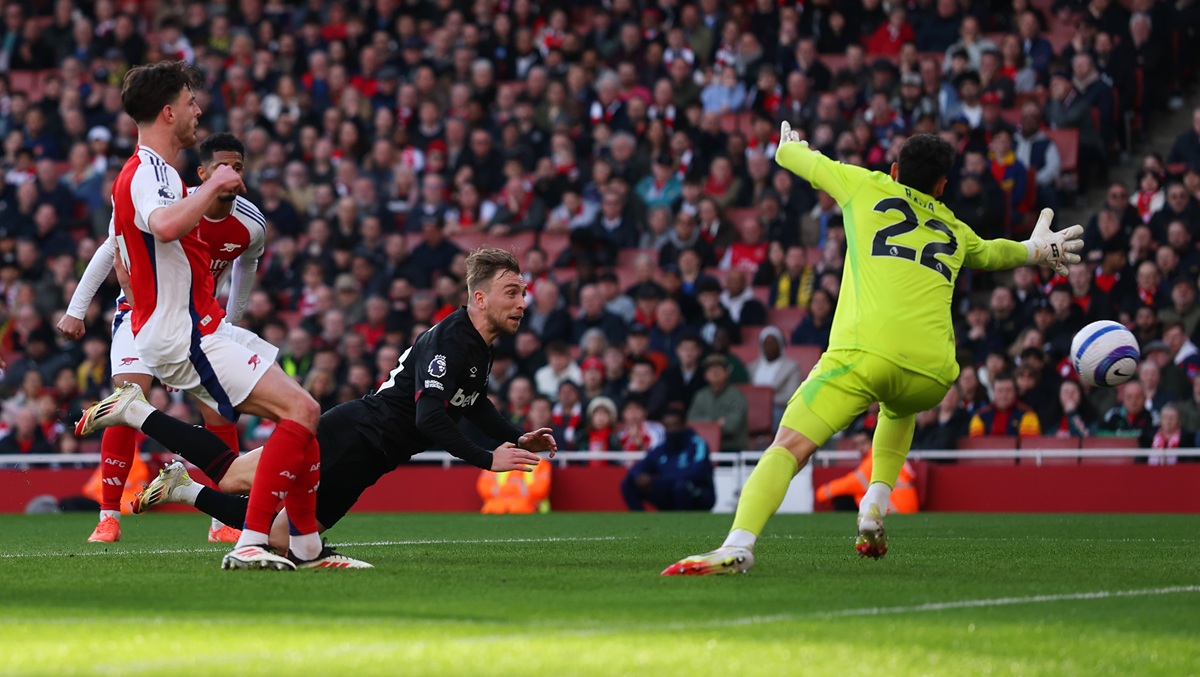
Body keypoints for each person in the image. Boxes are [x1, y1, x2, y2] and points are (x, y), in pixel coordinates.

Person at [663, 127, 1082, 576]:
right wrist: (1039, 249)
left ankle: (738, 545)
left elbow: (792, 158)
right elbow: (995, 254)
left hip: (864, 355)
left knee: (788, 447)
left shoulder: (865, 184)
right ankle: (875, 506)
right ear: (942, 186)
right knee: (898, 408)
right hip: (934, 373)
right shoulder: (955, 229)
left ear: (895, 171)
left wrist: (790, 144)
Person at [72, 61, 335, 571]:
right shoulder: (147, 171)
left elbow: (145, 240)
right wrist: (212, 188)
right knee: (300, 414)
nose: (199, 111)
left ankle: (201, 492)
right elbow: (165, 226)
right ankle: (254, 542)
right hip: (182, 332)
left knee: (291, 429)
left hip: (198, 326)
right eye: (191, 103)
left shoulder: (161, 174)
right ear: (169, 112)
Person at [121, 249, 557, 554]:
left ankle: (182, 488)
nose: (522, 302)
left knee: (282, 540)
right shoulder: (452, 341)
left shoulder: (481, 345)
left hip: (374, 456)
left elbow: (473, 403)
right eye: (512, 292)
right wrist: (486, 458)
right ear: (480, 298)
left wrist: (519, 436)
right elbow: (429, 418)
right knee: (237, 478)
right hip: (354, 433)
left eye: (522, 293)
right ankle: (138, 410)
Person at [58, 132, 263, 545]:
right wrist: (76, 309)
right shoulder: (175, 202)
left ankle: (221, 521)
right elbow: (109, 247)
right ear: (203, 172)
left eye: (238, 167)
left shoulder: (251, 223)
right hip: (143, 312)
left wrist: (230, 321)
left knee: (219, 412)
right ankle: (108, 515)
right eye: (223, 167)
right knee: (128, 398)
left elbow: (246, 269)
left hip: (199, 320)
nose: (231, 175)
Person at [620, 404, 715, 512]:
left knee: (681, 486)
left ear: (684, 425)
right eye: (667, 426)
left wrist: (661, 479)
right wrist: (639, 476)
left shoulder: (697, 444)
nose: (671, 430)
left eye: (675, 425)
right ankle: (641, 522)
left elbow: (698, 471)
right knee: (628, 483)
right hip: (669, 490)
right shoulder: (662, 448)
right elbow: (637, 468)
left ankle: (684, 523)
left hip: (698, 493)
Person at [815, 425, 918, 513]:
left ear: (873, 440)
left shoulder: (874, 458)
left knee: (844, 498)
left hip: (897, 507)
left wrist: (823, 492)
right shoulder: (884, 454)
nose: (860, 448)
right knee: (858, 496)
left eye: (863, 443)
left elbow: (851, 483)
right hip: (904, 504)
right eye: (857, 444)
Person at [478, 457, 552, 514]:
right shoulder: (495, 462)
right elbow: (484, 489)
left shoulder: (541, 463)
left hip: (534, 512)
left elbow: (540, 490)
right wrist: (517, 489)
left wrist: (505, 491)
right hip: (495, 510)